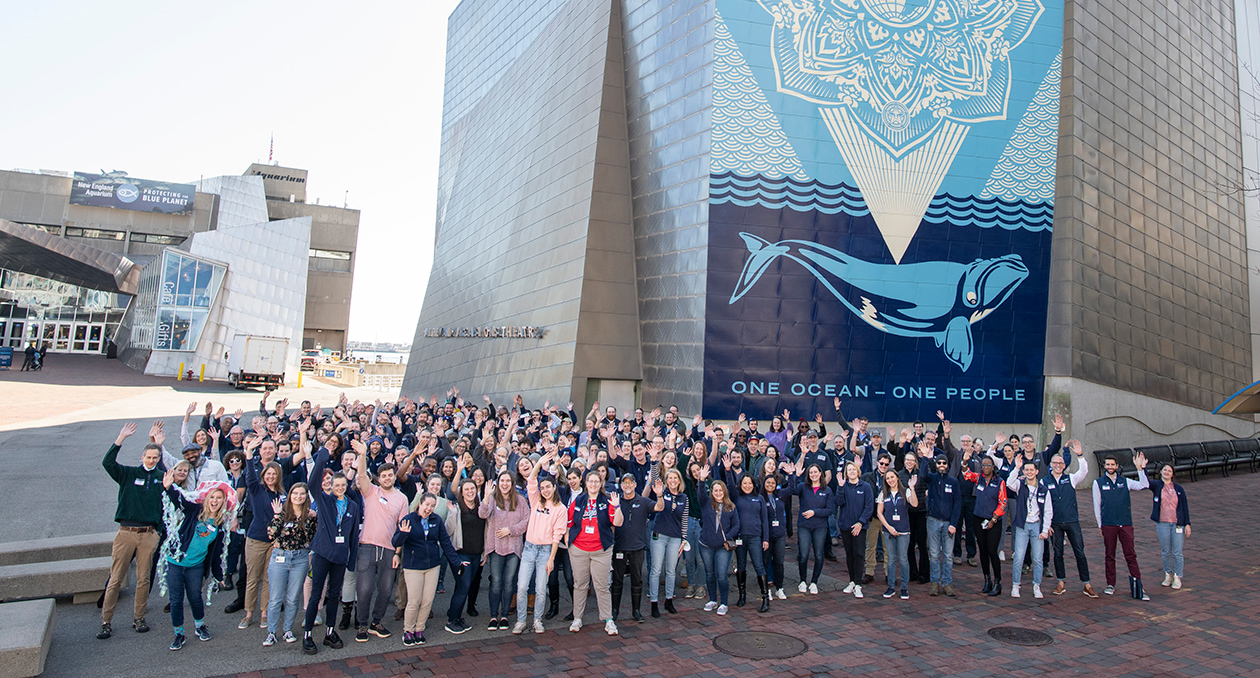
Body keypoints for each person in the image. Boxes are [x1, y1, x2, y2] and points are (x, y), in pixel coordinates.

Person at [98, 422, 165, 640]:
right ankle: (106, 621)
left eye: (155, 457)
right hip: (126, 533)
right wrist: (120, 439)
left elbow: (169, 492)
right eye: (149, 457)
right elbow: (108, 463)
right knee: (115, 579)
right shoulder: (128, 474)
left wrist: (158, 533)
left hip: (148, 535)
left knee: (144, 579)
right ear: (142, 457)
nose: (152, 460)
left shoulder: (160, 477)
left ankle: (139, 617)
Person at [157, 474, 232, 650]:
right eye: (212, 497)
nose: (214, 501)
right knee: (176, 600)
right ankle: (179, 634)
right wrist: (168, 487)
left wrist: (219, 575)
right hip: (175, 562)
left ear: (223, 501)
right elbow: (179, 501)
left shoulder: (220, 525)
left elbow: (215, 554)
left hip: (195, 567)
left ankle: (200, 627)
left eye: (218, 498)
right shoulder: (194, 511)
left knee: (195, 598)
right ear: (207, 498)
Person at [302, 445, 361, 655]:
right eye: (336, 485)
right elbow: (311, 484)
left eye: (343, 484)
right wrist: (322, 457)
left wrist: (351, 560)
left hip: (339, 557)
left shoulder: (352, 507)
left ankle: (329, 631)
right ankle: (308, 635)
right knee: (316, 594)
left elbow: (354, 536)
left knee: (335, 594)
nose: (340, 488)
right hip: (322, 554)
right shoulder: (324, 501)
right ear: (331, 486)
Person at [349, 440, 409, 643]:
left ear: (394, 476)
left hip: (390, 550)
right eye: (383, 476)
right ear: (379, 478)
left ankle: (376, 622)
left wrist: (398, 553)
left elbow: (403, 529)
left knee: (385, 590)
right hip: (367, 546)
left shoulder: (402, 499)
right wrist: (363, 455)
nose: (387, 478)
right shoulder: (371, 492)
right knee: (364, 589)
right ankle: (362, 624)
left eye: (390, 475)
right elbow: (362, 475)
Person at [393, 493, 467, 646]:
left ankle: (419, 628)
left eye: (432, 506)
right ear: (420, 504)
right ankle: (408, 630)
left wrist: (457, 562)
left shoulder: (437, 520)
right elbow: (396, 541)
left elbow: (445, 543)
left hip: (432, 566)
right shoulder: (408, 519)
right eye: (427, 505)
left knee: (427, 600)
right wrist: (403, 534)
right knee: (414, 600)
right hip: (413, 567)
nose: (429, 508)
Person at [512, 447, 568, 634]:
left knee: (540, 588)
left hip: (545, 550)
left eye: (548, 487)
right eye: (542, 488)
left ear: (554, 488)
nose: (544, 490)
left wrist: (552, 558)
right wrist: (538, 463)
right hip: (529, 548)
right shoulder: (535, 500)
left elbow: (557, 536)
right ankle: (521, 620)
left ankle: (537, 619)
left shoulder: (560, 508)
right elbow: (531, 479)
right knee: (521, 586)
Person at [567, 468, 624, 634]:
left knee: (602, 586)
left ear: (601, 484)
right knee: (580, 585)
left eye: (596, 481)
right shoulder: (578, 501)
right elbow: (569, 523)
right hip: (579, 549)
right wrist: (568, 543)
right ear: (586, 483)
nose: (593, 484)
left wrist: (617, 506)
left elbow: (618, 523)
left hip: (601, 550)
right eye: (590, 481)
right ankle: (577, 618)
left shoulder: (607, 501)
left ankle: (608, 619)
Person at [239, 435, 287, 630]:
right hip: (256, 540)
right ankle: (249, 613)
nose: (270, 477)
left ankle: (264, 613)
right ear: (264, 475)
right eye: (268, 474)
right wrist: (249, 453)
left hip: (274, 543)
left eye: (273, 474)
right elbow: (250, 475)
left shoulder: (283, 495)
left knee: (270, 578)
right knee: (253, 577)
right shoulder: (257, 490)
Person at [263, 483, 316, 646]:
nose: (298, 497)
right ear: (290, 495)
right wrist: (278, 515)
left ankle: (287, 630)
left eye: (302, 494)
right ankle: (271, 632)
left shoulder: (310, 516)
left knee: (293, 598)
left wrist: (312, 517)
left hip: (300, 558)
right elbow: (272, 534)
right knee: (275, 598)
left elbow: (312, 537)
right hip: (280, 557)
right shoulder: (283, 512)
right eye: (295, 493)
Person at [1092, 451, 1150, 599]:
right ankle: (1110, 584)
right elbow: (1097, 506)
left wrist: (1140, 469)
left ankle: (1138, 586)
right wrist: (1100, 526)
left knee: (1130, 555)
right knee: (1109, 555)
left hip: (1125, 524)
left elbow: (1144, 485)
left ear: (1117, 466)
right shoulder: (1097, 483)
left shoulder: (1126, 482)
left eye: (1113, 464)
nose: (1110, 467)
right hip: (1108, 525)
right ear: (1104, 466)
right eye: (1107, 464)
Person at [1045, 440, 1097, 597]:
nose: (1058, 465)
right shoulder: (1044, 482)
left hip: (1072, 521)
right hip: (1055, 524)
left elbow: (1084, 471)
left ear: (1064, 465)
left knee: (1079, 552)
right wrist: (1046, 525)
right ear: (1051, 464)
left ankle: (1086, 584)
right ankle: (1060, 582)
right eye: (1055, 463)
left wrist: (1080, 455)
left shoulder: (1071, 479)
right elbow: (1041, 505)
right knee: (1058, 553)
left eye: (1061, 463)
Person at [479, 471, 529, 631]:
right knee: (496, 583)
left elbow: (526, 521)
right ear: (498, 483)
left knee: (509, 583)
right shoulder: (493, 499)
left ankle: (505, 615)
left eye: (508, 481)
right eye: (502, 481)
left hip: (513, 548)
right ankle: (494, 616)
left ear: (512, 483)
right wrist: (486, 496)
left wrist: (511, 530)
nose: (505, 484)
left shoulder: (520, 501)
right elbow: (482, 514)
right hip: (495, 548)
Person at [1005, 460, 1053, 598]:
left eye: (1032, 470)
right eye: (1026, 470)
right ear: (1024, 472)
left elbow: (1048, 511)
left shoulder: (1043, 489)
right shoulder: (1020, 485)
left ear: (1037, 472)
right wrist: (1017, 468)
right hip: (1023, 526)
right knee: (1019, 557)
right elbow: (1009, 483)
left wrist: (1045, 530)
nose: (1029, 472)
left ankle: (1037, 586)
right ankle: (1016, 585)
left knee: (1038, 558)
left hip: (1037, 525)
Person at [444, 479, 485, 635]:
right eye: (466, 489)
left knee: (462, 586)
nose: (470, 492)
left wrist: (484, 552)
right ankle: (451, 620)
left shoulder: (481, 508)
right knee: (464, 587)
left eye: (472, 489)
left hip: (476, 554)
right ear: (461, 492)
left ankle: (456, 615)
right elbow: (448, 531)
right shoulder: (456, 508)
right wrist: (452, 514)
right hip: (461, 554)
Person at [610, 473, 652, 622]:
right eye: (624, 483)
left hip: (637, 547)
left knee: (637, 580)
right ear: (621, 485)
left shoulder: (643, 501)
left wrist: (659, 495)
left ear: (635, 485)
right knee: (617, 580)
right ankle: (614, 611)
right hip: (619, 546)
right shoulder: (615, 501)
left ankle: (636, 611)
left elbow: (659, 507)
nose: (627, 485)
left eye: (630, 483)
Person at [962, 456, 1007, 596]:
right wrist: (964, 461)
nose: (986, 467)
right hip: (978, 518)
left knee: (992, 551)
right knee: (983, 550)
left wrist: (994, 519)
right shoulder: (979, 478)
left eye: (988, 465)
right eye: (984, 465)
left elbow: (1003, 503)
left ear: (993, 467)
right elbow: (966, 474)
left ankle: (998, 582)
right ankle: (987, 579)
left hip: (993, 521)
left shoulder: (999, 482)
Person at [919, 448, 961, 597]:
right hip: (933, 521)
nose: (942, 465)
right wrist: (925, 458)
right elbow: (922, 475)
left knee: (948, 555)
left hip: (948, 523)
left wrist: (954, 524)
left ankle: (947, 582)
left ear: (948, 465)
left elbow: (957, 504)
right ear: (936, 465)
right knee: (935, 554)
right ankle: (935, 582)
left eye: (944, 463)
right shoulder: (932, 479)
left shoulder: (953, 481)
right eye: (939, 463)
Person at [696, 474, 740, 614]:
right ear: (712, 492)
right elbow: (700, 493)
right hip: (706, 546)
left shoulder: (731, 506)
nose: (718, 493)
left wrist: (727, 537)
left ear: (724, 491)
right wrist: (701, 480)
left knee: (721, 575)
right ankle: (713, 600)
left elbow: (736, 525)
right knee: (709, 574)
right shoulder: (706, 503)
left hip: (723, 547)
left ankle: (724, 603)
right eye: (715, 490)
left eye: (720, 490)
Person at [649, 469, 690, 616]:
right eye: (670, 478)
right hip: (659, 535)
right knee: (656, 569)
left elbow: (684, 521)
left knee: (671, 570)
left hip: (675, 537)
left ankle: (669, 600)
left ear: (679, 480)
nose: (673, 480)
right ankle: (654, 602)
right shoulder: (662, 492)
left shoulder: (684, 498)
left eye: (675, 478)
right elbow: (654, 479)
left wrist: (684, 539)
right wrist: (653, 461)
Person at [789, 462, 833, 594]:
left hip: (820, 527)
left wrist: (815, 512)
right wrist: (794, 475)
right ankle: (803, 580)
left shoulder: (827, 490)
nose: (813, 474)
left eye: (816, 472)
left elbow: (829, 510)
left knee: (819, 555)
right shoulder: (803, 487)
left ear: (820, 473)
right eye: (811, 472)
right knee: (803, 555)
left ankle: (814, 582)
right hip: (804, 526)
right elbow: (792, 490)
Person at [730, 474, 770, 611]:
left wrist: (765, 539)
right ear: (740, 485)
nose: (747, 486)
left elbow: (765, 520)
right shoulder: (737, 498)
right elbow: (729, 485)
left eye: (750, 483)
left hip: (755, 538)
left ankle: (765, 597)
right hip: (740, 537)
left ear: (754, 484)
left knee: (759, 566)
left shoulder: (759, 499)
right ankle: (742, 595)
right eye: (744, 483)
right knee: (740, 566)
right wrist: (729, 471)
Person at [876, 467, 917, 599]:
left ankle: (904, 587)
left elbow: (915, 504)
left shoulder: (905, 491)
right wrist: (888, 527)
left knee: (903, 559)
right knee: (891, 559)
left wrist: (913, 488)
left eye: (892, 477)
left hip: (903, 530)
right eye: (887, 478)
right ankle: (891, 586)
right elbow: (879, 513)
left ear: (897, 477)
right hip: (889, 531)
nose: (890, 480)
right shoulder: (883, 493)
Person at [1147, 464, 1190, 590]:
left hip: (1177, 524)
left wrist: (1187, 523)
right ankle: (1168, 574)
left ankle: (1178, 576)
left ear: (1173, 474)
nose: (1166, 472)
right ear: (1161, 471)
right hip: (1162, 523)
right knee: (1165, 551)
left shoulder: (1178, 488)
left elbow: (1184, 507)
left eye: (1169, 470)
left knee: (1177, 552)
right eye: (1164, 470)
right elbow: (1145, 482)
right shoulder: (1157, 486)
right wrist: (1141, 468)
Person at [835, 461, 874, 599]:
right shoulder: (843, 487)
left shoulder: (866, 487)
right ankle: (851, 581)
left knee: (859, 554)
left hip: (860, 527)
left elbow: (869, 507)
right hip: (846, 526)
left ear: (858, 471)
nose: (851, 471)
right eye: (849, 470)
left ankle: (858, 584)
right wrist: (840, 487)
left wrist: (860, 523)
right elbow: (839, 502)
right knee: (849, 554)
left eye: (853, 469)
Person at [761, 472, 788, 600]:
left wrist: (793, 475)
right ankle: (767, 589)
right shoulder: (761, 498)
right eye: (768, 483)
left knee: (779, 562)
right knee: (765, 562)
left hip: (779, 534)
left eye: (773, 483)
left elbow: (792, 489)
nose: (770, 485)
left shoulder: (780, 495)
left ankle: (780, 588)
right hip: (766, 535)